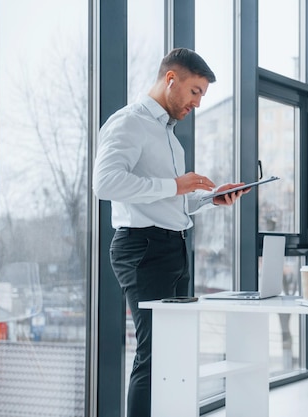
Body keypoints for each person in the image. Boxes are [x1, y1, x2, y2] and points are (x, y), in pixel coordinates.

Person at [92, 47, 246, 417]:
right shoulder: (128, 123)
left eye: (203, 95)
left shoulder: (170, 137)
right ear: (171, 79)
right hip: (143, 248)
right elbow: (105, 183)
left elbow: (169, 201)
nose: (198, 102)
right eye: (195, 91)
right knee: (154, 353)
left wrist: (210, 200)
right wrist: (175, 186)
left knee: (174, 353)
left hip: (173, 247)